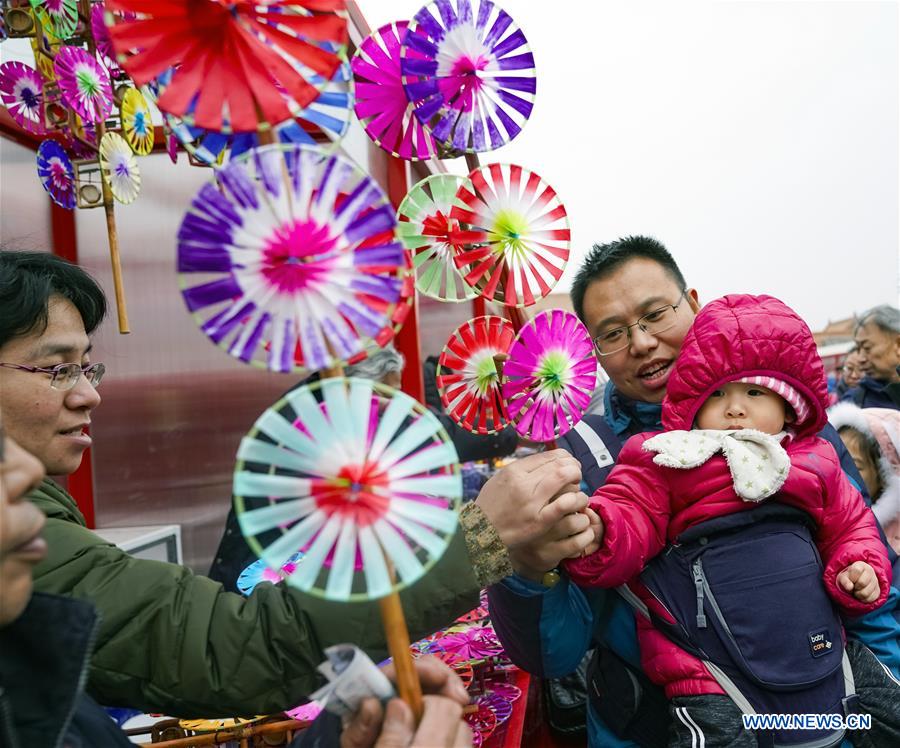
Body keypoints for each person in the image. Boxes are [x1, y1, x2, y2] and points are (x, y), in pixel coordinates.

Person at [0, 249, 592, 717]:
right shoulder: (21, 546)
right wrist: (478, 539)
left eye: (86, 366)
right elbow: (234, 647)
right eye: (57, 369)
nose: (89, 393)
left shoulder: (35, 513)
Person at [487, 236, 900, 748]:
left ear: (695, 305)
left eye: (655, 314)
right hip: (662, 725)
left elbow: (872, 587)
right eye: (612, 333)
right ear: (595, 353)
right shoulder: (579, 461)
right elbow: (554, 654)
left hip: (825, 717)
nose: (640, 343)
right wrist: (524, 568)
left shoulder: (794, 430)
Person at [830, 404, 900, 553]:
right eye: (834, 460)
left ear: (884, 478)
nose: (840, 472)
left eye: (855, 467)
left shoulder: (894, 547)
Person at [843, 305, 900, 409]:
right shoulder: (853, 406)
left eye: (866, 347)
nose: (860, 359)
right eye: (858, 349)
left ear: (898, 344)